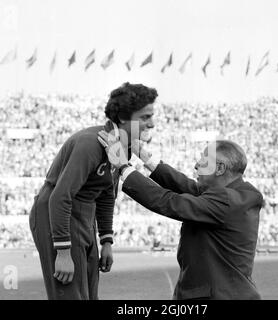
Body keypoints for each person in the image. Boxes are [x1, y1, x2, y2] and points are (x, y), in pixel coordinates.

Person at [29, 82, 157, 300]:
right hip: (59, 213)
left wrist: (106, 240)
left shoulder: (121, 146)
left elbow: (107, 195)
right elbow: (60, 196)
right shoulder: (91, 142)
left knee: (89, 295)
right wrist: (62, 252)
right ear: (124, 117)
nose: (152, 124)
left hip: (84, 215)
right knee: (69, 295)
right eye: (144, 117)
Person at [98, 132, 263, 300]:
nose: (196, 165)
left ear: (220, 168)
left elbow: (171, 202)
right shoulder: (235, 195)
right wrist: (143, 156)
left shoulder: (227, 200)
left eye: (204, 160)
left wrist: (124, 167)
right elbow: (185, 185)